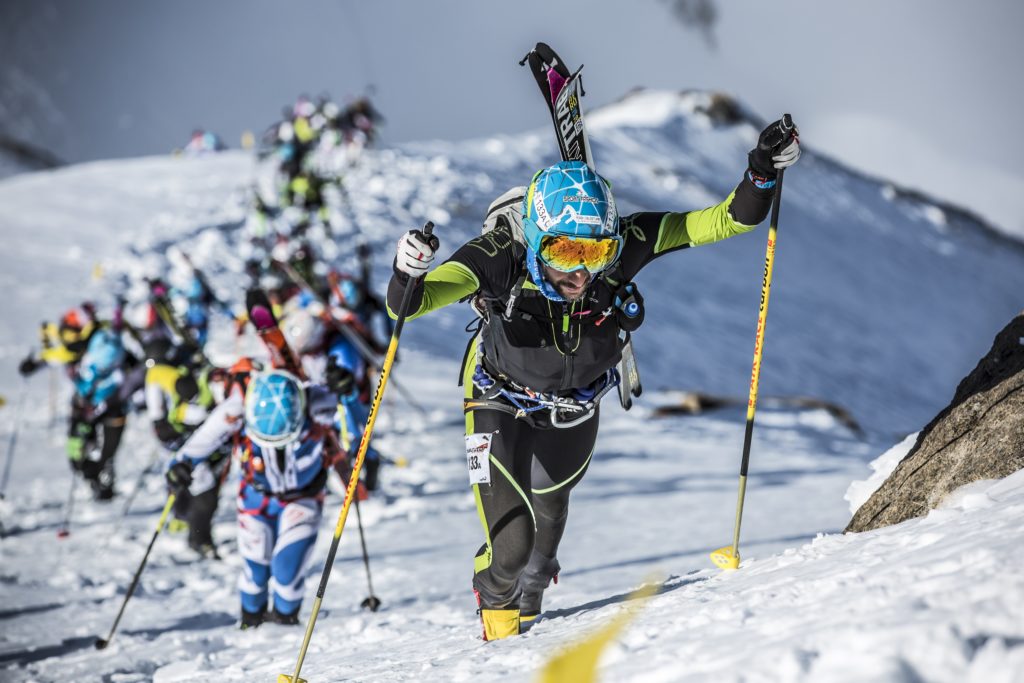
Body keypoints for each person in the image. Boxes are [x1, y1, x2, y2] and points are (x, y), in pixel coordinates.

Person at [386, 118, 801, 640]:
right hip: (498, 398)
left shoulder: (626, 242)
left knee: (541, 554)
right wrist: (407, 272)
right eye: (565, 252)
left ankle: (529, 612)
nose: (581, 273)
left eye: (596, 253)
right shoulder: (499, 255)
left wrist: (762, 171)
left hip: (575, 407)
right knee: (511, 549)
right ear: (537, 240)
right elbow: (409, 305)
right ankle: (495, 634)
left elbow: (729, 220)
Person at [164, 361, 353, 628]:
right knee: (256, 570)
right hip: (256, 499)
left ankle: (285, 627)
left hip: (304, 498)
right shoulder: (237, 406)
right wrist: (181, 466)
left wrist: (347, 388)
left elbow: (357, 414)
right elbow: (200, 443)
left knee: (287, 571)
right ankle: (250, 626)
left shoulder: (316, 399)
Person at [144, 337, 229, 557]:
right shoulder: (161, 373)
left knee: (191, 482)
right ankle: (199, 539)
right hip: (182, 437)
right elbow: (187, 394)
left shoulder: (160, 372)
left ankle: (182, 518)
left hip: (180, 435)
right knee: (205, 490)